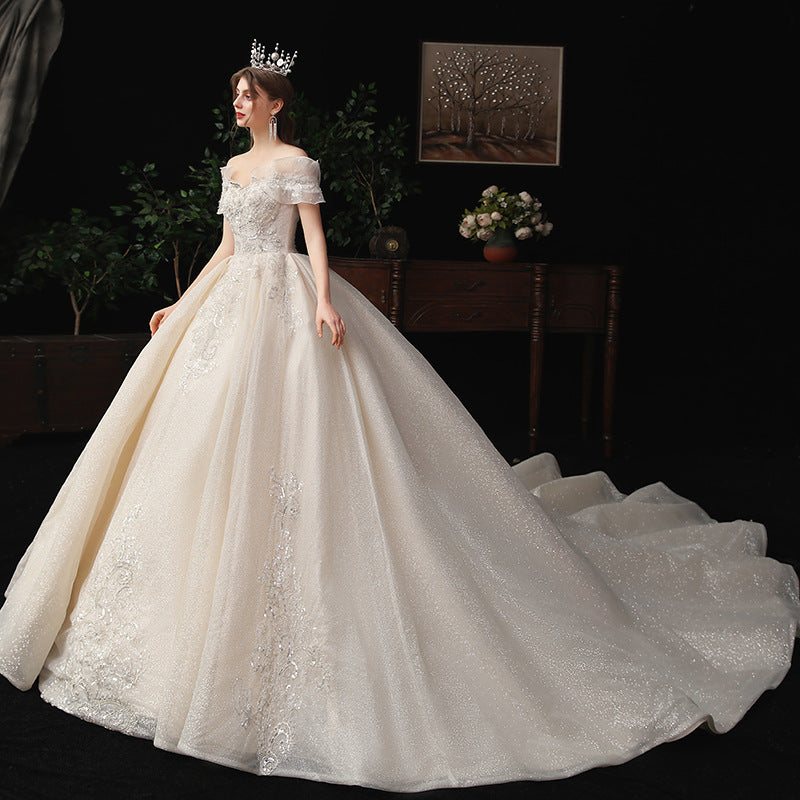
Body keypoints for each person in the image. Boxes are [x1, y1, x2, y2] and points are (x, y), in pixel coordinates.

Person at [0, 40, 798, 793]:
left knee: (308, 440)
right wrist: (183, 304)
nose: (238, 104)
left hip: (286, 303)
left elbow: (313, 241)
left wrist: (323, 303)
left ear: (276, 101)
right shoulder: (234, 167)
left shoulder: (296, 163)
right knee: (201, 446)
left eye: (248, 94)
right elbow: (226, 249)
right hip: (230, 310)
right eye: (235, 95)